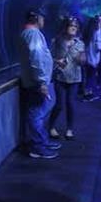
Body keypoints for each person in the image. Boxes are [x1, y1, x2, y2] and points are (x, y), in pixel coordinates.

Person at [18, 9, 62, 159]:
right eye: (42, 17)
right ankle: (38, 147)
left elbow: (39, 56)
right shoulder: (33, 34)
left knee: (38, 113)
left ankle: (42, 141)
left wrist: (53, 62)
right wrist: (42, 81)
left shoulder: (28, 33)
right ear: (36, 18)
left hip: (34, 80)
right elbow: (36, 58)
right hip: (36, 82)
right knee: (36, 114)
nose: (44, 20)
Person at [49, 17, 85, 140]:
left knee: (70, 103)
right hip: (60, 76)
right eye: (71, 25)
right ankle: (51, 126)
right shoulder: (57, 41)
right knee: (59, 104)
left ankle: (69, 129)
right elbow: (48, 56)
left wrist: (82, 60)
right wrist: (56, 61)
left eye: (76, 26)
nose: (74, 28)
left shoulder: (80, 43)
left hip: (74, 77)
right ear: (65, 27)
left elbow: (83, 60)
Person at [82, 16, 101, 102]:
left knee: (86, 76)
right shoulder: (97, 32)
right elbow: (98, 47)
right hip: (94, 58)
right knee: (91, 76)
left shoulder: (87, 31)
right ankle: (88, 94)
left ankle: (85, 92)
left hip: (87, 57)